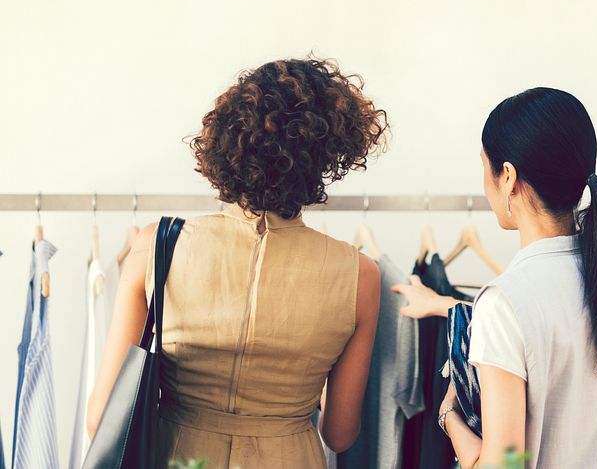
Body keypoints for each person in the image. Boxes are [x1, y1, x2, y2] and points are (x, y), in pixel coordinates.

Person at [87, 57, 388, 469]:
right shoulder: (360, 276)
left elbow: (100, 417)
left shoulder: (157, 246)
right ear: (325, 158)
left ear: (228, 143)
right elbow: (339, 432)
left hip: (177, 455)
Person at [393, 87, 597, 468]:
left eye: (484, 166)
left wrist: (450, 419)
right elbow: (543, 332)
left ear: (507, 176)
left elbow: (506, 463)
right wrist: (445, 305)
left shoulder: (506, 302)